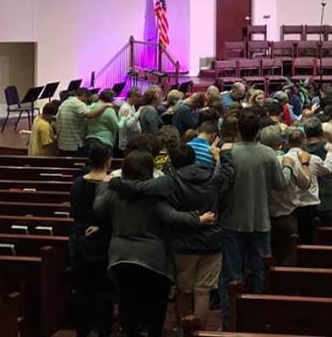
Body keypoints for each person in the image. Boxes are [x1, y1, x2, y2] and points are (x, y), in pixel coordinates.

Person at [108, 144, 234, 331]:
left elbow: (140, 187)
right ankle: (199, 332)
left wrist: (115, 183)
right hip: (211, 240)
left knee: (183, 290)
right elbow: (229, 174)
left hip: (183, 242)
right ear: (194, 159)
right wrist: (224, 155)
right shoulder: (213, 178)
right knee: (203, 292)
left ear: (173, 163)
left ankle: (183, 330)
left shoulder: (169, 181)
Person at [219, 109, 292, 326]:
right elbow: (281, 184)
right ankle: (257, 318)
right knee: (259, 270)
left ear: (238, 131)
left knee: (231, 274)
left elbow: (218, 184)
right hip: (260, 220)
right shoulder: (269, 154)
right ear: (257, 131)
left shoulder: (228, 154)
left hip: (232, 220)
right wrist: (287, 167)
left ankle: (228, 319)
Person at [69, 143, 114, 337]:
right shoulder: (111, 184)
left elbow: (74, 211)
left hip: (80, 240)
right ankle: (103, 330)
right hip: (105, 241)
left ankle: (82, 330)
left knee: (83, 288)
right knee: (104, 290)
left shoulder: (78, 183)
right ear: (108, 161)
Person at [259, 124, 311, 265]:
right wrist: (305, 164)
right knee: (287, 261)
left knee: (265, 259)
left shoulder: (258, 162)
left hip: (263, 218)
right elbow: (305, 184)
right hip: (287, 217)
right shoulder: (289, 160)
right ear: (280, 144)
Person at [284, 126, 332, 243]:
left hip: (290, 207)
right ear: (304, 141)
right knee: (308, 240)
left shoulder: (283, 159)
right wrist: (330, 152)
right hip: (309, 206)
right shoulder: (313, 159)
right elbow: (328, 168)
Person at [57, 88, 115, 156]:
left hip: (62, 142)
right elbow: (90, 114)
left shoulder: (65, 102)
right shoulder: (78, 104)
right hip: (73, 144)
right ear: (84, 95)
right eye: (87, 99)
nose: (87, 101)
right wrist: (105, 106)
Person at [304, 118, 332, 226]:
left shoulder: (300, 149)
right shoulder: (329, 148)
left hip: (305, 198)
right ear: (321, 132)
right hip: (326, 199)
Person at [118, 88, 142, 152]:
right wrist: (139, 112)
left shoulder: (132, 106)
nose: (140, 99)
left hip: (132, 142)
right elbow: (128, 125)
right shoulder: (125, 108)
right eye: (138, 96)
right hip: (126, 144)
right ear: (131, 96)